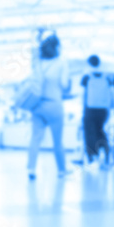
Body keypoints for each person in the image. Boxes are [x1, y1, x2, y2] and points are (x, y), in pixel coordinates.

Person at [27, 31, 72, 180]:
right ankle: (61, 170)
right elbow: (65, 85)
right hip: (54, 105)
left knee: (35, 138)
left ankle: (31, 169)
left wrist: (38, 35)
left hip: (37, 104)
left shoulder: (37, 62)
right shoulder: (61, 63)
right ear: (57, 47)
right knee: (57, 140)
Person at [81, 55, 114, 169]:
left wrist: (82, 109)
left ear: (89, 64)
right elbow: (112, 93)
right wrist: (112, 108)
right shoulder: (106, 77)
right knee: (100, 130)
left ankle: (92, 158)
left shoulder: (87, 77)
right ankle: (106, 152)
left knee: (90, 132)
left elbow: (83, 94)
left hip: (89, 109)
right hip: (103, 109)